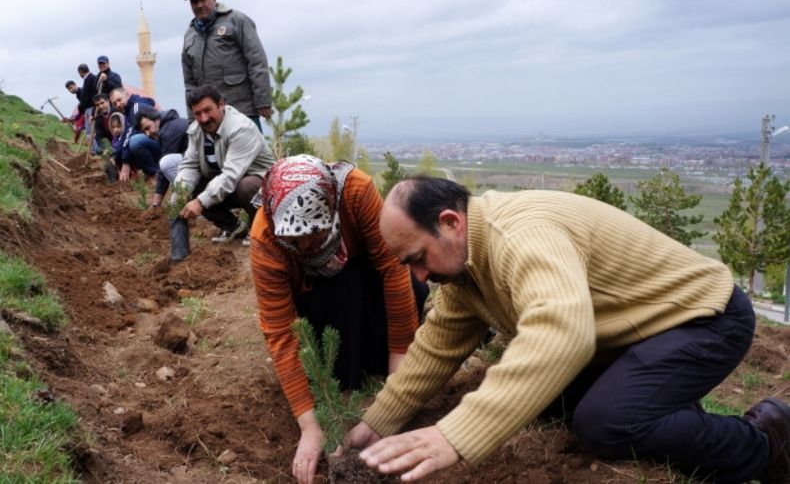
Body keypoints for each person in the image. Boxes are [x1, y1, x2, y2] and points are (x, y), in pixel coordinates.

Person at [343, 177, 790, 484]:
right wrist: (376, 425)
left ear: (449, 223)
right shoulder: (466, 266)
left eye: (418, 258)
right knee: (545, 399)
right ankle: (663, 406)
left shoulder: (519, 235)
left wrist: (453, 436)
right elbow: (436, 348)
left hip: (702, 316)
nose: (419, 277)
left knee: (604, 424)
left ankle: (766, 442)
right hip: (633, 334)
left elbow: (563, 331)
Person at [249, 155, 428, 484]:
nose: (305, 247)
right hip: (322, 306)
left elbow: (392, 270)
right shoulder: (266, 238)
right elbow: (280, 332)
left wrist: (397, 385)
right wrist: (310, 427)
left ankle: (384, 357)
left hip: (367, 284)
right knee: (343, 292)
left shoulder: (356, 191)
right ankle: (349, 371)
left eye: (315, 236)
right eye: (296, 241)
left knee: (414, 291)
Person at [173, 84, 274, 245]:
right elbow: (190, 165)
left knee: (246, 186)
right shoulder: (195, 131)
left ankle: (261, 227)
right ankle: (233, 226)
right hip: (228, 183)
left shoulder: (241, 129)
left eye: (207, 110)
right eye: (198, 113)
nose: (203, 118)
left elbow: (231, 175)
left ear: (221, 104)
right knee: (193, 188)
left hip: (261, 185)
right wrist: (180, 190)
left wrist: (200, 202)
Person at [181, 0, 272, 131]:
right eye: (194, 1)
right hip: (209, 118)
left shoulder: (237, 20)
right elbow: (190, 83)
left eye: (203, 0)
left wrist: (262, 100)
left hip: (242, 110)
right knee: (217, 152)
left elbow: (257, 62)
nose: (199, 5)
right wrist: (192, 118)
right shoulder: (189, 35)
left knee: (251, 150)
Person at [134, 107, 190, 208]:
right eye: (144, 132)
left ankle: (187, 197)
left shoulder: (168, 132)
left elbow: (163, 171)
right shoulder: (170, 125)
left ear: (157, 119)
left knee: (166, 163)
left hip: (203, 165)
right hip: (199, 162)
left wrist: (156, 203)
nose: (147, 134)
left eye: (147, 127)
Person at [108, 87, 156, 182]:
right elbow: (125, 136)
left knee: (134, 142)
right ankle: (146, 173)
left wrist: (126, 162)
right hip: (153, 142)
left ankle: (155, 173)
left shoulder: (136, 108)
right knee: (125, 148)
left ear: (127, 95)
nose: (118, 104)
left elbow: (131, 135)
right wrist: (115, 156)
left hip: (162, 142)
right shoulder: (128, 112)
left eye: (119, 99)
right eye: (114, 103)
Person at [76, 63, 99, 154]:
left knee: (90, 130)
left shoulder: (90, 78)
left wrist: (81, 106)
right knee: (89, 130)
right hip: (89, 107)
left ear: (80, 72)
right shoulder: (91, 78)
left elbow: (86, 96)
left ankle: (94, 150)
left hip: (90, 107)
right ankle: (93, 149)